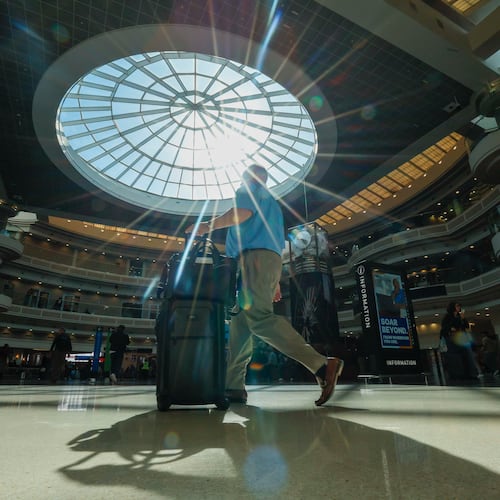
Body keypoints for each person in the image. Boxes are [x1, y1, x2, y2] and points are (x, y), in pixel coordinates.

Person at [185, 164, 343, 406]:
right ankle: (233, 386)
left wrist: (208, 226)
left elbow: (241, 214)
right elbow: (274, 243)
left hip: (253, 260)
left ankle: (321, 365)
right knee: (240, 327)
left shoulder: (247, 190)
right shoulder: (271, 205)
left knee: (258, 318)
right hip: (266, 263)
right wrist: (275, 282)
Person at [440, 302, 478, 381]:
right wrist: (456, 321)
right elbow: (446, 327)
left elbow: (466, 326)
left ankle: (470, 374)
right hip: (452, 339)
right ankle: (458, 375)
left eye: (459, 306)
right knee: (455, 357)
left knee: (467, 355)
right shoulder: (447, 317)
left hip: (462, 337)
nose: (459, 307)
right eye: (457, 306)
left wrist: (463, 318)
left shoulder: (460, 316)